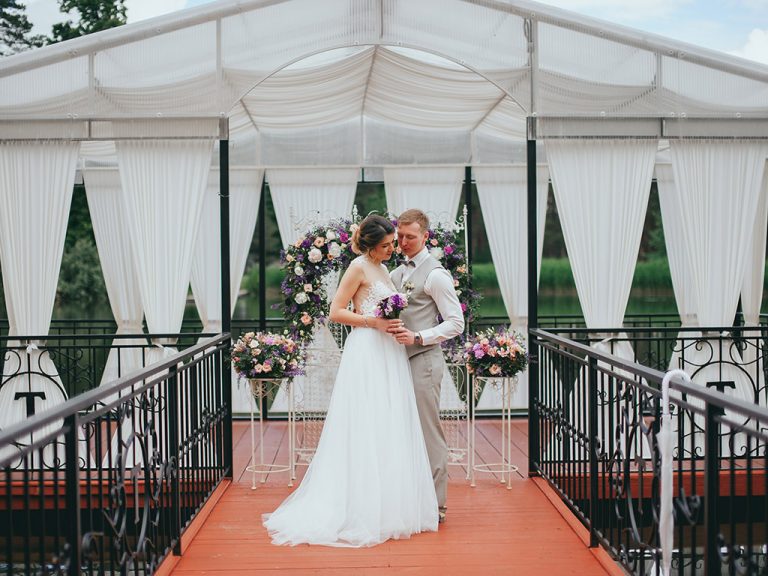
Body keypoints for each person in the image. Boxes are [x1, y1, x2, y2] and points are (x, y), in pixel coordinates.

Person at [263, 214, 439, 547]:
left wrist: (392, 321)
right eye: (387, 245)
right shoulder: (357, 267)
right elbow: (335, 312)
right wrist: (373, 322)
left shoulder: (385, 269)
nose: (393, 249)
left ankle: (389, 506)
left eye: (393, 244)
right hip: (367, 349)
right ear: (371, 245)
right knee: (365, 422)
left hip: (389, 351)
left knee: (388, 421)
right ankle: (358, 506)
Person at [389, 209, 465, 524]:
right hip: (397, 363)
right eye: (400, 236)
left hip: (424, 361)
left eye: (410, 237)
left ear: (425, 237)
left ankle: (437, 504)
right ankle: (408, 497)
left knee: (428, 431)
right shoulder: (395, 274)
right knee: (401, 430)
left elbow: (456, 323)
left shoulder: (436, 275)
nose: (404, 242)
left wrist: (419, 337)